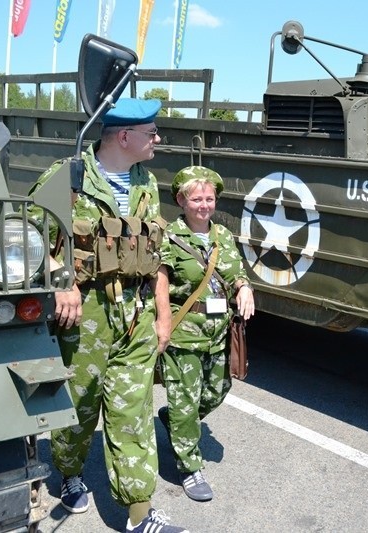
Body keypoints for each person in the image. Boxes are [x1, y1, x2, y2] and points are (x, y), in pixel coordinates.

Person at [27, 97, 189, 533]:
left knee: (133, 410)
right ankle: (69, 471)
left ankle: (140, 513)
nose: (157, 139)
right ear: (124, 136)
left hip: (133, 312)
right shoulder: (67, 178)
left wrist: (163, 315)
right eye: (151, 132)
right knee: (78, 406)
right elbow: (24, 240)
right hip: (85, 315)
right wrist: (64, 282)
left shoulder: (146, 183)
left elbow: (155, 254)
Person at [156, 165, 255, 501]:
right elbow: (160, 282)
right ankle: (189, 468)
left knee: (215, 392)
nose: (204, 204)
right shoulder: (169, 236)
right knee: (185, 402)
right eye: (196, 198)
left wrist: (244, 288)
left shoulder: (222, 236)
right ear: (182, 200)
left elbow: (236, 270)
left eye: (209, 198)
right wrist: (163, 323)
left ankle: (174, 420)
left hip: (218, 332)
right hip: (185, 332)